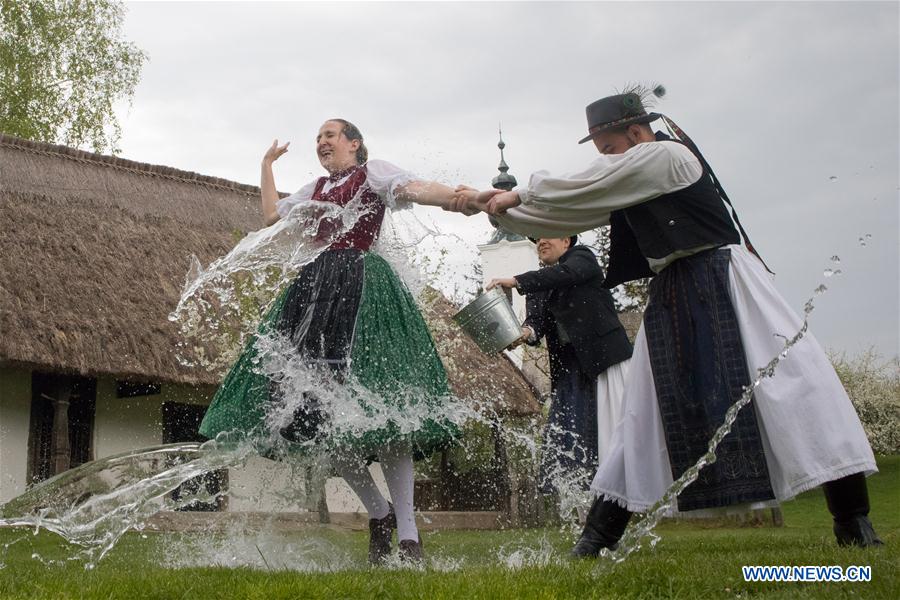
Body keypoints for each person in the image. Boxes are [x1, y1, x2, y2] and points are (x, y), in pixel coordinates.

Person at [449, 87, 882, 555]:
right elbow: (576, 207)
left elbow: (590, 182)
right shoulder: (630, 175)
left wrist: (515, 194)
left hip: (728, 281)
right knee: (644, 411)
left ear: (637, 133)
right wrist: (498, 209)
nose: (609, 159)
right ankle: (595, 541)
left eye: (611, 147)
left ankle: (852, 520)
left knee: (796, 386)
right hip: (673, 291)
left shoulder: (667, 157)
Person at [199, 119, 480, 565]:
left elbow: (416, 188)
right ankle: (379, 512)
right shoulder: (314, 187)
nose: (322, 142)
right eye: (318, 138)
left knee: (389, 415)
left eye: (331, 135)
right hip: (315, 297)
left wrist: (461, 200)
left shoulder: (374, 173)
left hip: (368, 293)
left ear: (355, 144)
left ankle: (408, 537)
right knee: (319, 421)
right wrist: (266, 165)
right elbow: (272, 217)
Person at [486, 235, 631, 500]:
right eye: (537, 239)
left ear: (566, 241)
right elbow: (535, 324)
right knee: (568, 439)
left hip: (603, 363)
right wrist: (524, 334)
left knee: (610, 434)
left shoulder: (582, 258)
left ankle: (619, 500)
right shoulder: (540, 284)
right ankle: (582, 507)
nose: (541, 241)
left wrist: (516, 281)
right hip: (569, 371)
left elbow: (567, 274)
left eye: (547, 236)